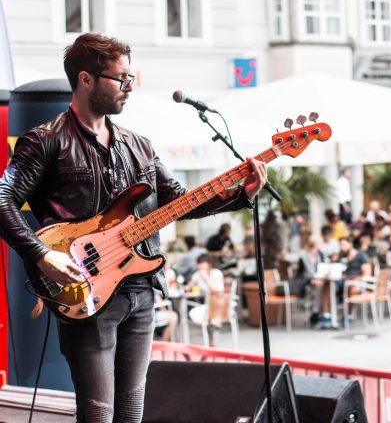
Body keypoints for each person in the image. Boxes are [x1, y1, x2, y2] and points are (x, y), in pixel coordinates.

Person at [0, 33, 267, 422]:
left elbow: (179, 202)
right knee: (98, 414)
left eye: (131, 78)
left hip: (140, 290)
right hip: (86, 291)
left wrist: (239, 194)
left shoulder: (139, 145)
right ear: (86, 79)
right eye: (121, 78)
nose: (129, 88)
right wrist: (42, 256)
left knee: (131, 411)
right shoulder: (46, 141)